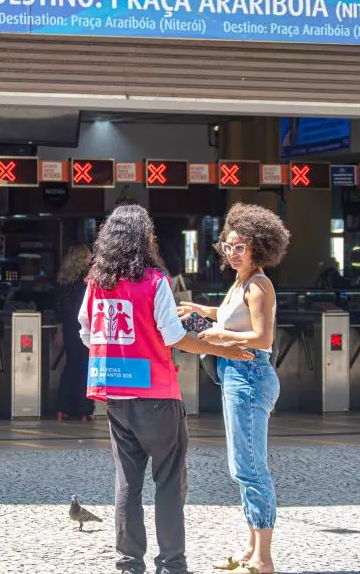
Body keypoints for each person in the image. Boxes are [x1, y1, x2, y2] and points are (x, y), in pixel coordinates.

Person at [80, 204, 253, 574]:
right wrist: (221, 347)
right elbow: (175, 337)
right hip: (157, 395)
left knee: (127, 482)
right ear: (145, 238)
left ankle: (128, 564)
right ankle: (172, 563)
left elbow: (86, 330)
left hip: (115, 396)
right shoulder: (155, 282)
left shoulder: (97, 282)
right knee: (170, 481)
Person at [176, 202, 290, 574]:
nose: (232, 252)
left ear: (259, 245)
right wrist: (203, 310)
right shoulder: (240, 283)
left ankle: (264, 557)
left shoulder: (258, 285)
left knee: (251, 466)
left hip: (250, 375)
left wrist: (218, 333)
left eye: (240, 245)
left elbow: (262, 336)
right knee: (242, 465)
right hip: (237, 374)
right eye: (228, 245)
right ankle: (252, 547)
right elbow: (230, 315)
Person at [55, 243, 94, 421]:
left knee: (71, 365)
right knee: (86, 367)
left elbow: (59, 308)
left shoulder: (63, 279)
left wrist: (59, 328)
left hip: (70, 327)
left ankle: (62, 407)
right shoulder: (89, 279)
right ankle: (84, 409)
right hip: (86, 325)